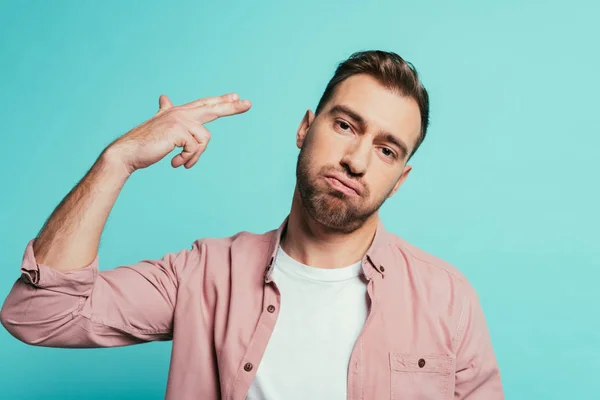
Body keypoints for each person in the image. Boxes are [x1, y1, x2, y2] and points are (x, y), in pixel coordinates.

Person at [0, 50, 504, 399]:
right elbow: (39, 313)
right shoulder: (203, 275)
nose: (355, 160)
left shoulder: (448, 301)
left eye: (386, 149)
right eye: (345, 125)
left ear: (400, 179)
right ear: (306, 128)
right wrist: (118, 159)